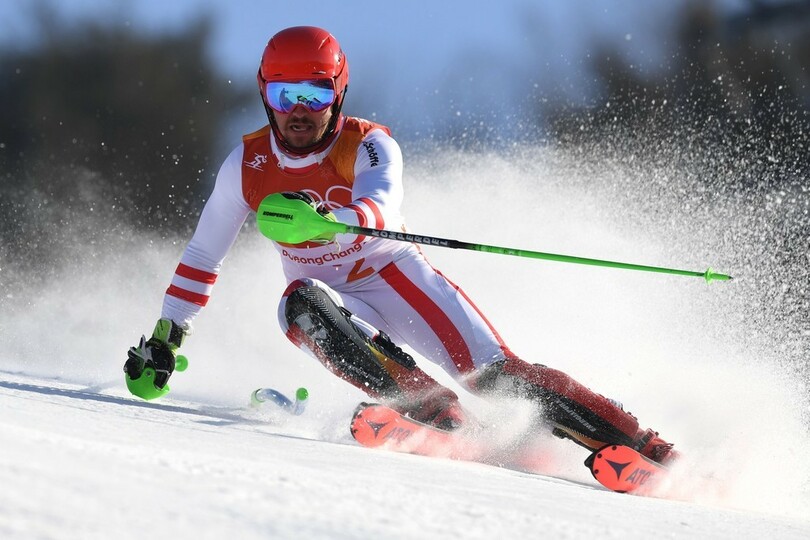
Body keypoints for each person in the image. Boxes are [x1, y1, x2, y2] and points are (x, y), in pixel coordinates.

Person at [125, 26, 677, 464]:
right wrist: (166, 337)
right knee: (297, 305)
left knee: (498, 379)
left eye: (314, 93)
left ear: (337, 93)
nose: (298, 110)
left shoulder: (367, 144)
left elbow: (380, 207)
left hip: (396, 279)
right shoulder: (247, 164)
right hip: (331, 297)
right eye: (283, 93)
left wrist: (324, 221)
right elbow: (202, 256)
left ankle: (638, 443)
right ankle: (431, 410)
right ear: (264, 95)